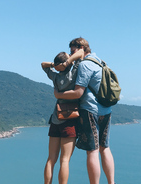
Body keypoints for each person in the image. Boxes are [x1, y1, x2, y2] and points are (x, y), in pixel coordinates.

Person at [54, 37, 116, 184]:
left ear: (80, 48)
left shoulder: (85, 65)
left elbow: (78, 93)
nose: (70, 55)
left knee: (92, 151)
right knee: (104, 148)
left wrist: (58, 94)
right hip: (106, 110)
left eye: (72, 51)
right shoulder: (100, 61)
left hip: (90, 110)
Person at [41, 49, 84, 184]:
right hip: (70, 120)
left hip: (56, 118)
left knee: (51, 158)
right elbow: (81, 53)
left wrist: (55, 66)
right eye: (68, 57)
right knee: (65, 160)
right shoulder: (74, 73)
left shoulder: (55, 77)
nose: (71, 57)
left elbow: (43, 64)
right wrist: (68, 62)